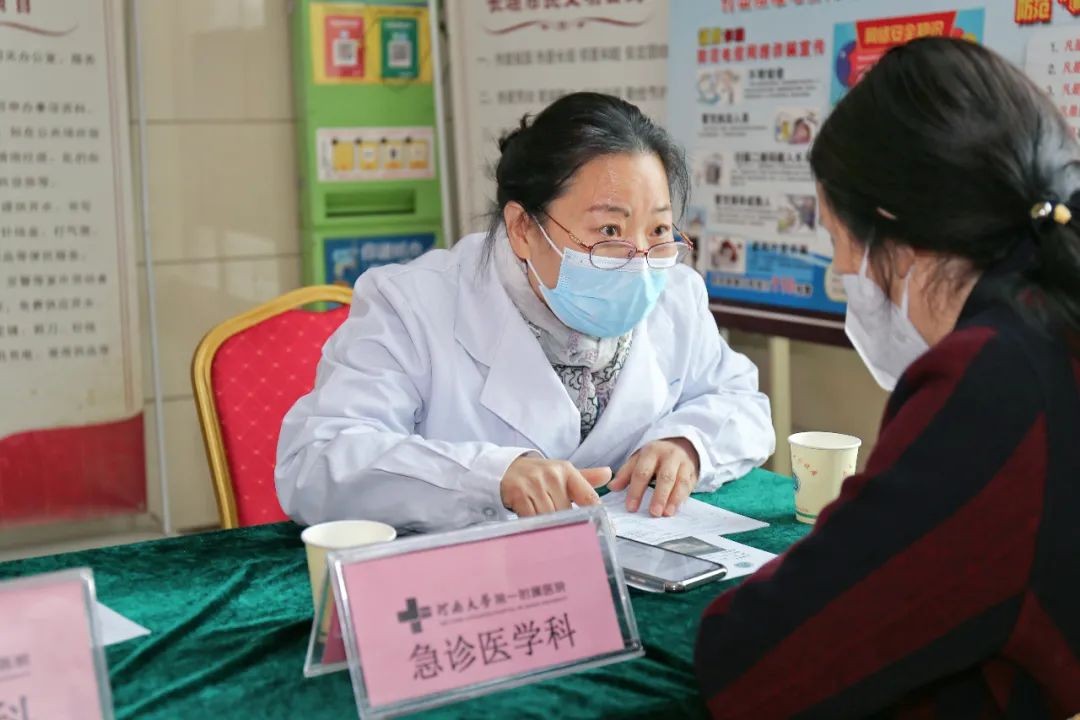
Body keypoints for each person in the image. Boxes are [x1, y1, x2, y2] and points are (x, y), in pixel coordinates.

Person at [695, 38, 1080, 719]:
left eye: (835, 236)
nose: (841, 267)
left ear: (891, 225)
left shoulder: (993, 381)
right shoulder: (1048, 326)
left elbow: (761, 660)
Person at [276, 93, 774, 533]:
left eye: (659, 230)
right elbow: (318, 461)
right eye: (608, 232)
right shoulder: (413, 304)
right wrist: (488, 477)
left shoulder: (676, 293)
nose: (639, 260)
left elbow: (742, 403)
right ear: (523, 228)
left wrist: (688, 444)